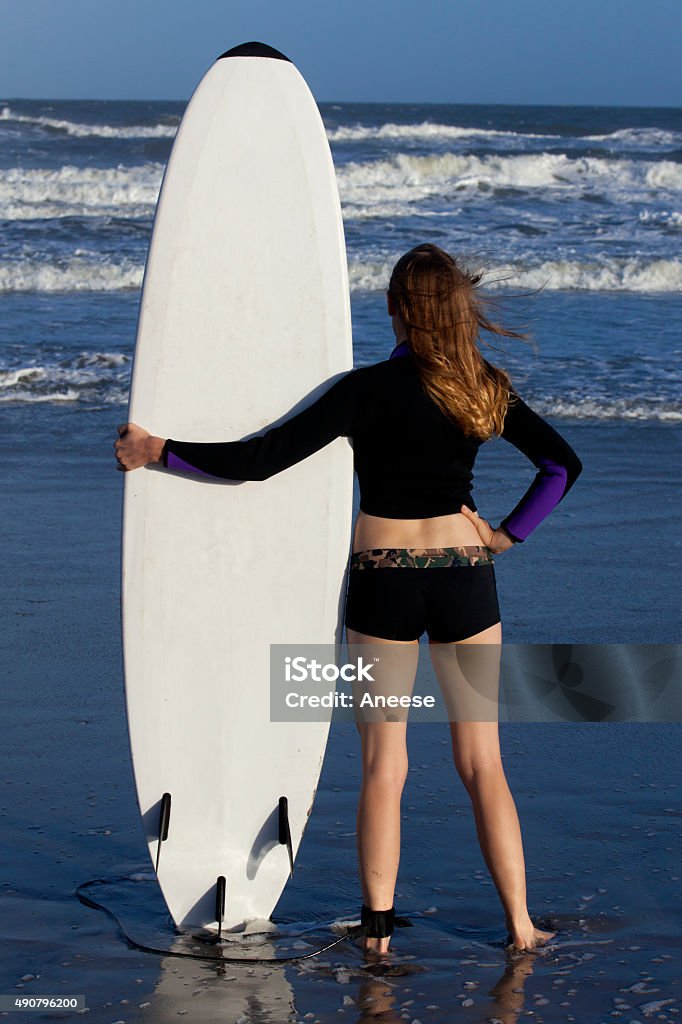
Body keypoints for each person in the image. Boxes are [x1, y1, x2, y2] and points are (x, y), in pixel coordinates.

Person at [115, 243, 582, 956]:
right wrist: (507, 536)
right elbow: (561, 464)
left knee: (382, 765)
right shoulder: (486, 387)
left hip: (384, 578)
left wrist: (160, 449)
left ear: (395, 308)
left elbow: (259, 460)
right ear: (458, 310)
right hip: (464, 573)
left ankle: (378, 935)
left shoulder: (363, 391)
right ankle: (520, 925)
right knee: (483, 761)